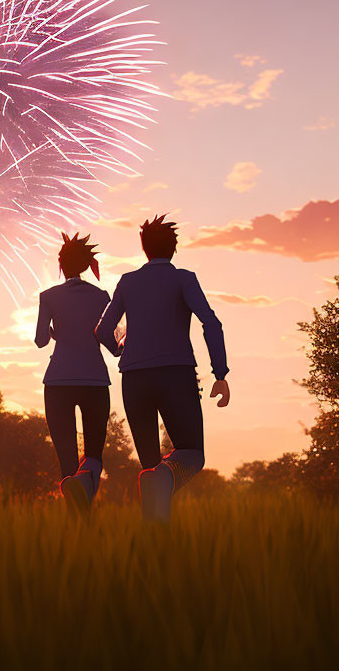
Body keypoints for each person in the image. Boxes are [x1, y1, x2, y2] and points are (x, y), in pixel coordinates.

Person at [95, 214, 230, 521]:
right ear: (173, 249)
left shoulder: (128, 282)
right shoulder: (184, 278)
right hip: (175, 375)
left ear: (144, 249)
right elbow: (211, 322)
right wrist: (220, 373)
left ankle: (155, 542)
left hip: (133, 378)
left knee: (150, 471)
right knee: (191, 455)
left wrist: (119, 349)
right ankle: (166, 487)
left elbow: (102, 331)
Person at [34, 232, 118, 513]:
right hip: (95, 380)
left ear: (62, 264)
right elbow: (109, 340)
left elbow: (40, 340)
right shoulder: (101, 297)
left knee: (67, 458)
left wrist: (58, 333)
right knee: (93, 453)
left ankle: (75, 520)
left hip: (58, 381)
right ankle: (87, 512)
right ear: (85, 265)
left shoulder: (48, 297)